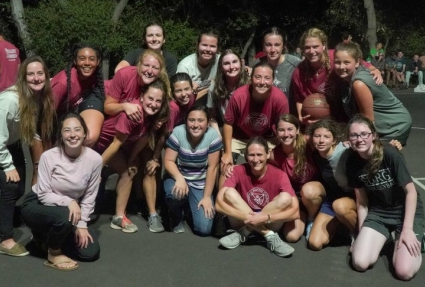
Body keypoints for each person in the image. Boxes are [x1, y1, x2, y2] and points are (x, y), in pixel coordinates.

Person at [0, 56, 56, 256]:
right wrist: (8, 166)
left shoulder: (39, 97)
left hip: (10, 141)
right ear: (23, 78)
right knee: (9, 185)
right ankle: (5, 240)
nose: (35, 78)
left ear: (46, 76)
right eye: (30, 74)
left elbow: (30, 128)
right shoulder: (9, 100)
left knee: (19, 188)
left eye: (39, 73)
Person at [346, 114, 425, 281]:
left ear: (374, 136)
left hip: (405, 213)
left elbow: (411, 192)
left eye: (364, 134)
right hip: (379, 213)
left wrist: (407, 229)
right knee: (360, 263)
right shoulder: (352, 162)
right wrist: (361, 233)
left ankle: (419, 239)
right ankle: (390, 237)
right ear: (349, 139)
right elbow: (361, 202)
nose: (359, 139)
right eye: (354, 135)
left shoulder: (389, 153)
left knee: (404, 272)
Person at [21, 113, 102, 271]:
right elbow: (43, 194)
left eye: (77, 130)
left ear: (85, 133)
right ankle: (53, 253)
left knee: (90, 253)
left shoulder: (95, 159)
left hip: (68, 211)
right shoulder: (48, 157)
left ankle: (45, 237)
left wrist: (82, 224)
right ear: (61, 135)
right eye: (67, 130)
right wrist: (69, 202)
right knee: (65, 217)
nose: (72, 135)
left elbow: (89, 197)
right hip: (38, 203)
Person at [97, 80, 170, 233]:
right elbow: (115, 144)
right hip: (103, 145)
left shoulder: (152, 116)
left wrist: (131, 159)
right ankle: (117, 214)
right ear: (142, 97)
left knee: (131, 169)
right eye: (150, 98)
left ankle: (118, 216)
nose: (154, 104)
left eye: (158, 101)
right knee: (123, 171)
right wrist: (96, 169)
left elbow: (143, 138)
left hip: (120, 146)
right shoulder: (133, 114)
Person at [216, 136, 300, 257]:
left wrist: (266, 218)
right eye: (251, 155)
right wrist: (251, 218)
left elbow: (295, 213)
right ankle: (268, 235)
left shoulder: (280, 175)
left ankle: (244, 232)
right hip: (242, 219)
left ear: (267, 154)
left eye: (259, 155)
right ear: (246, 156)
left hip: (268, 221)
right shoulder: (238, 170)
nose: (256, 159)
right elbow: (218, 204)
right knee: (228, 193)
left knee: (286, 198)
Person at [291, 28, 382, 127]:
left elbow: (363, 64)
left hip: (349, 113)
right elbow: (299, 99)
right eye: (307, 47)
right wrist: (301, 117)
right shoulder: (299, 72)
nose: (311, 51)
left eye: (315, 46)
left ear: (324, 46)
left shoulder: (337, 56)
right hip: (323, 120)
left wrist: (375, 70)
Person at [333, 42, 412, 145]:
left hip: (394, 125)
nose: (341, 66)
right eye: (337, 62)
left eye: (346, 62)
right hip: (383, 125)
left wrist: (355, 140)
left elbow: (368, 120)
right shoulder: (347, 78)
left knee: (378, 157)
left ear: (357, 62)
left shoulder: (359, 84)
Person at [220, 62, 289, 174]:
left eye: (267, 78)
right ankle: (223, 191)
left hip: (267, 138)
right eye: (258, 77)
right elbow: (228, 123)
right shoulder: (239, 96)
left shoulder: (280, 99)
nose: (262, 82)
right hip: (240, 138)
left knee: (278, 167)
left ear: (272, 81)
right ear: (251, 79)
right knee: (226, 168)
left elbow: (284, 126)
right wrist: (227, 153)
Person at [163, 105, 222, 235]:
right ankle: (176, 215)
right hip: (178, 177)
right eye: (192, 120)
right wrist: (179, 178)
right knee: (175, 195)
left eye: (201, 120)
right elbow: (168, 161)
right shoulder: (178, 132)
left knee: (204, 229)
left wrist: (206, 197)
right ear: (186, 121)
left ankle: (188, 208)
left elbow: (212, 168)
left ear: (207, 123)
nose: (195, 125)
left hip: (200, 182)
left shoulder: (212, 136)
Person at [304, 118, 357, 250]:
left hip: (353, 198)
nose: (321, 140)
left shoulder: (346, 151)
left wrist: (392, 145)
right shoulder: (316, 153)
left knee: (339, 206)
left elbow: (370, 147)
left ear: (334, 140)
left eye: (326, 137)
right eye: (317, 136)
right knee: (314, 244)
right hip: (333, 197)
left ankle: (357, 233)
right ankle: (334, 220)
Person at [268, 114, 318, 243]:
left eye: (290, 129)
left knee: (308, 191)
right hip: (295, 198)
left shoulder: (309, 143)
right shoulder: (273, 155)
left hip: (314, 193)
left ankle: (312, 219)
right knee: (291, 237)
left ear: (297, 130)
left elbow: (330, 143)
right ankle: (304, 214)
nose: (286, 134)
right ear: (276, 132)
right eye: (281, 130)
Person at [51, 44, 106, 147]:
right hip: (52, 124)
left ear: (98, 62)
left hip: (69, 119)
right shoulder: (63, 83)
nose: (87, 63)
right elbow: (45, 116)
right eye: (82, 59)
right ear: (75, 61)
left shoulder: (94, 79)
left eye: (92, 59)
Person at [207, 49, 250, 131]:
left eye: (234, 62)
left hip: (248, 128)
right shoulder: (214, 88)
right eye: (226, 63)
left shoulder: (250, 84)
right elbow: (211, 116)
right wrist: (218, 134)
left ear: (241, 63)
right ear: (221, 67)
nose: (231, 67)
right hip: (227, 127)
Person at [255, 27, 301, 100]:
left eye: (277, 45)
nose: (273, 49)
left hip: (288, 110)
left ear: (283, 46)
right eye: (268, 45)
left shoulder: (296, 64)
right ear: (263, 46)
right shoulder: (257, 64)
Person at [176, 31, 220, 104]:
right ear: (197, 45)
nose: (208, 49)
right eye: (204, 45)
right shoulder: (184, 66)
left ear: (217, 48)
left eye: (212, 46)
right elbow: (180, 96)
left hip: (215, 104)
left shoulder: (221, 60)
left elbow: (236, 67)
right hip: (190, 106)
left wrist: (245, 68)